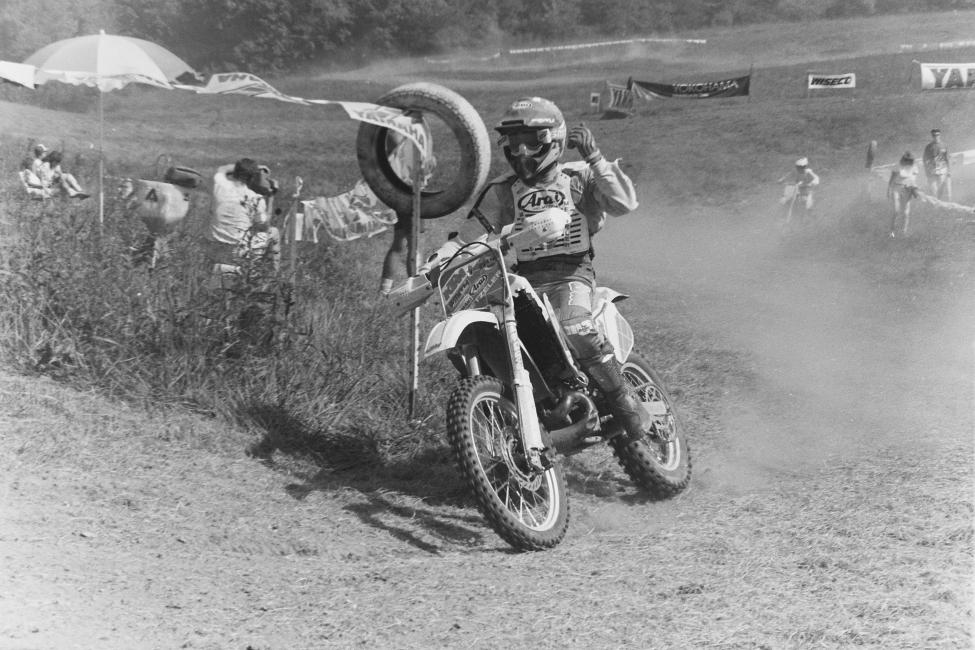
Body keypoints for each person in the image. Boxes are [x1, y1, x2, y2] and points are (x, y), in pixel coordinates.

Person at [414, 96, 648, 444]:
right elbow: (466, 237)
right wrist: (431, 267)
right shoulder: (504, 190)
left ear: (553, 139)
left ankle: (625, 401)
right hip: (524, 281)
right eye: (513, 142)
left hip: (572, 274)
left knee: (576, 325)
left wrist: (595, 159)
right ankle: (523, 413)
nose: (521, 151)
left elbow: (624, 204)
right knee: (492, 334)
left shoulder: (578, 177)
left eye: (530, 141)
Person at [379, 126, 436, 296]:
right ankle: (415, 291)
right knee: (415, 244)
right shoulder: (399, 133)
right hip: (410, 194)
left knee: (398, 244)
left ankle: (383, 291)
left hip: (397, 193)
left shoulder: (390, 132)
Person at [206, 157, 280, 285]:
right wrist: (271, 196)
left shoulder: (219, 185)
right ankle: (271, 277)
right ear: (252, 178)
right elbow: (264, 226)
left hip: (213, 246)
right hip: (237, 252)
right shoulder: (255, 198)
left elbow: (222, 169)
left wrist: (244, 167)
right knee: (274, 232)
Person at [887, 151, 920, 238]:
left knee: (906, 212)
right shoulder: (898, 166)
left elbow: (913, 180)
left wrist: (915, 189)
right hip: (896, 188)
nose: (908, 162)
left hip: (907, 189)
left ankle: (904, 231)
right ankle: (891, 231)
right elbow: (891, 180)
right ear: (904, 160)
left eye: (910, 160)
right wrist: (889, 190)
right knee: (896, 210)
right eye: (907, 160)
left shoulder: (914, 167)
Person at [777, 157, 819, 222]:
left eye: (801, 167)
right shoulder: (794, 171)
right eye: (798, 167)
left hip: (805, 190)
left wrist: (811, 183)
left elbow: (816, 179)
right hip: (794, 189)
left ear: (805, 166)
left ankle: (807, 218)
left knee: (805, 202)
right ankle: (781, 216)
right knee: (783, 200)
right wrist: (781, 180)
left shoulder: (808, 172)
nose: (800, 168)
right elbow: (787, 176)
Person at [922, 128, 951, 201]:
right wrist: (926, 171)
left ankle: (940, 202)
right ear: (932, 136)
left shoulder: (944, 145)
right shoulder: (928, 147)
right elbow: (925, 160)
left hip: (942, 170)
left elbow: (947, 159)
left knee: (941, 188)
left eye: (937, 135)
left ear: (940, 135)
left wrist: (949, 171)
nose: (936, 137)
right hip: (932, 171)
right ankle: (935, 205)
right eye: (934, 135)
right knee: (933, 190)